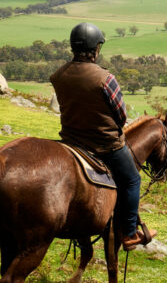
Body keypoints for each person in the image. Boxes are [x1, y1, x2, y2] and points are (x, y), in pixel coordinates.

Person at [50, 22, 156, 250]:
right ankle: (129, 234)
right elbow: (121, 115)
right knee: (132, 180)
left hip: (71, 141)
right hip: (104, 145)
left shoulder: (58, 75)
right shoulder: (105, 78)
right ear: (96, 48)